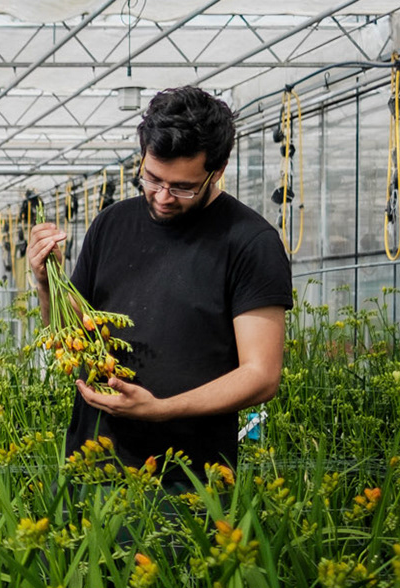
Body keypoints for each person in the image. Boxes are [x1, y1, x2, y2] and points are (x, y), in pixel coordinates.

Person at [27, 87, 289, 490]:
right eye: (151, 179)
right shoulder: (111, 225)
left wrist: (162, 409)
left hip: (187, 480)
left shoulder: (250, 242)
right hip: (90, 465)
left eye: (183, 186)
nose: (163, 197)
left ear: (218, 170)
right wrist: (48, 285)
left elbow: (261, 375)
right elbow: (71, 334)